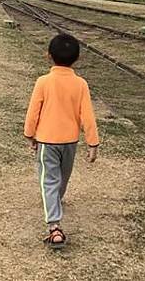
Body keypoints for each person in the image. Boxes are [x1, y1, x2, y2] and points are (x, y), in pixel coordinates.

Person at [23, 33, 99, 249]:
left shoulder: (43, 82)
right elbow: (88, 115)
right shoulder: (81, 84)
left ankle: (54, 227)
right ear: (77, 59)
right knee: (62, 177)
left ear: (48, 56)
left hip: (47, 141)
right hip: (70, 141)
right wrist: (93, 143)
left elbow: (33, 112)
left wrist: (29, 134)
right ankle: (56, 202)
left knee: (49, 180)